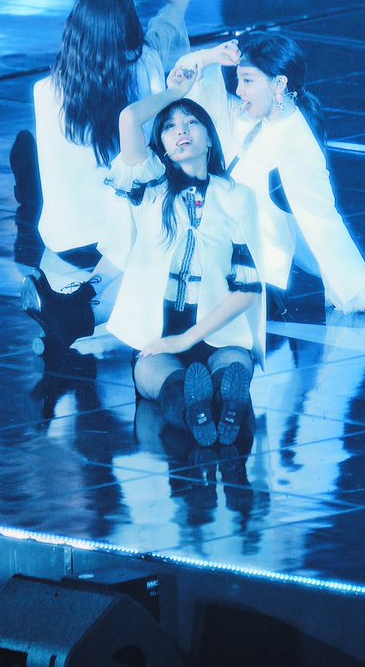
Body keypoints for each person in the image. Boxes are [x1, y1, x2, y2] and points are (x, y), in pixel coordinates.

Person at [23, 0, 193, 351]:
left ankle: (65, 309)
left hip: (62, 243)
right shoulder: (147, 66)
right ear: (128, 30)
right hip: (122, 246)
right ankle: (76, 314)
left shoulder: (44, 91)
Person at [180, 33, 365, 315]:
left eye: (248, 81)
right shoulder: (239, 115)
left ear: (279, 84)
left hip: (248, 274)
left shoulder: (296, 141)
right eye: (238, 80)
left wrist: (364, 294)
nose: (239, 90)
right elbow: (184, 84)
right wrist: (209, 57)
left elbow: (322, 219)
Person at [106, 72, 263, 448]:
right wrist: (176, 91)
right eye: (170, 126)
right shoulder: (151, 188)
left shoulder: (237, 196)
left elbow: (247, 289)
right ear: (160, 145)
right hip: (158, 336)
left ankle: (225, 403)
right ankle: (201, 412)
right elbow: (129, 118)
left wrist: (187, 339)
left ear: (209, 137)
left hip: (218, 332)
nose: (181, 131)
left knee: (233, 368)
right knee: (167, 384)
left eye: (192, 122)